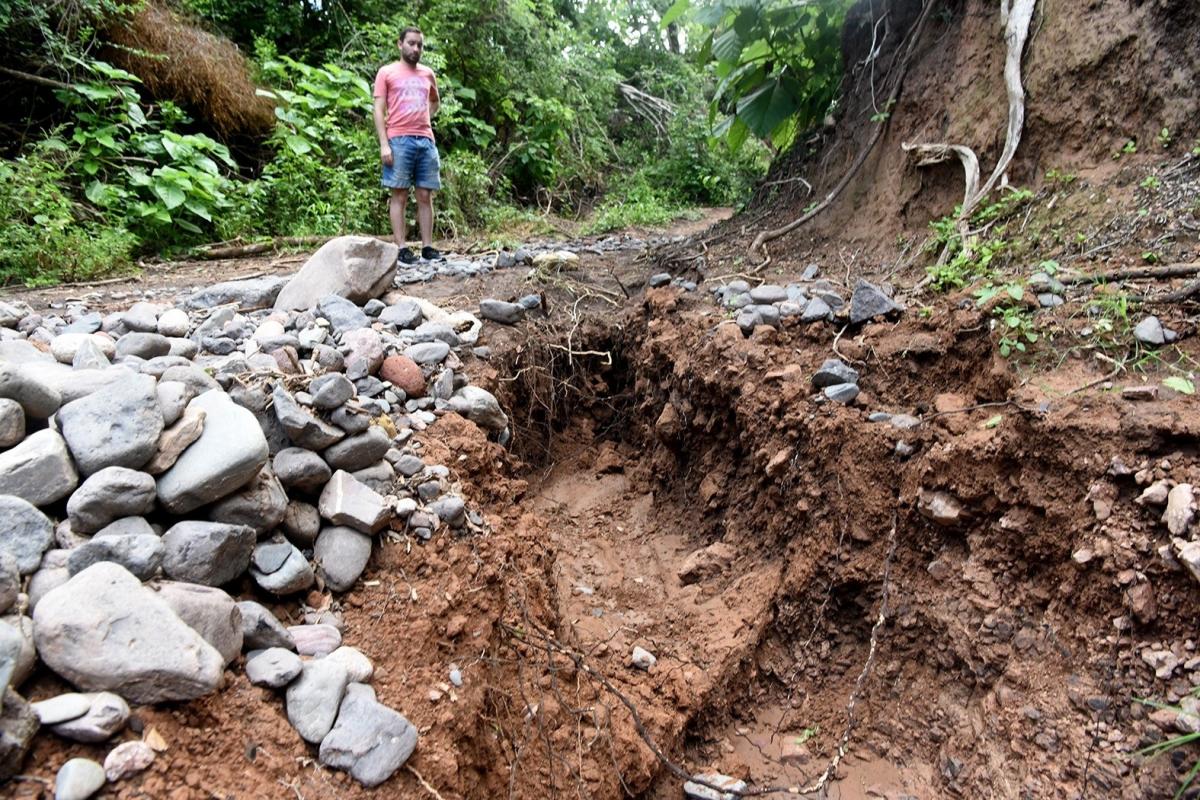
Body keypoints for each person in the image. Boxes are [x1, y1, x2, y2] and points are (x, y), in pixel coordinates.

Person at [373, 26, 442, 264]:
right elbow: (378, 109)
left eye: (420, 45)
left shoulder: (427, 74)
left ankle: (428, 247)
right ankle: (401, 248)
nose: (416, 48)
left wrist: (423, 118)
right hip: (398, 140)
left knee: (425, 194)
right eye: (411, 43)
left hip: (425, 139)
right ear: (400, 44)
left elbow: (434, 102)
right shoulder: (387, 72)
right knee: (399, 194)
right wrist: (384, 144)